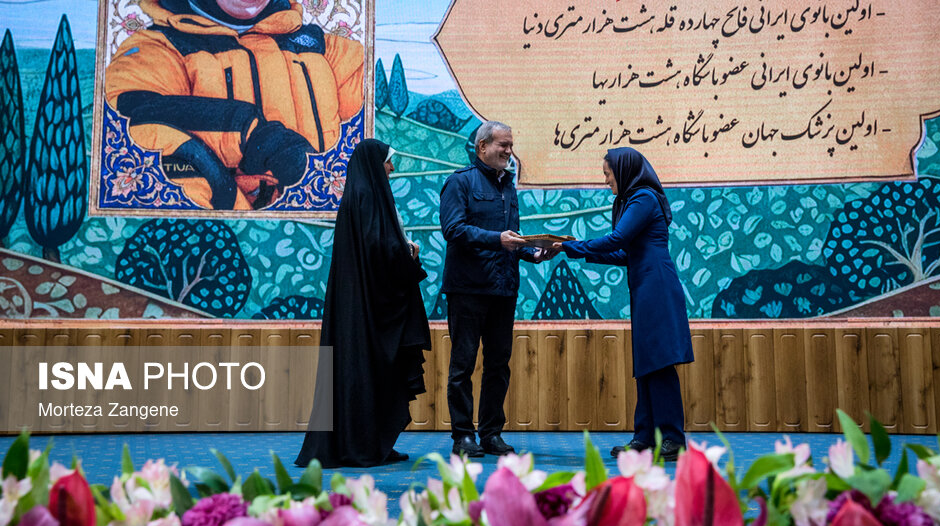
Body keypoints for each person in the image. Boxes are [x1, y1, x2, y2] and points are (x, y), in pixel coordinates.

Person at [105, 0, 364, 210]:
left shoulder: (316, 46)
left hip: (314, 214)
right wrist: (245, 130)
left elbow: (367, 102)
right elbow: (136, 119)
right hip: (223, 213)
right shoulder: (161, 44)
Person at [295, 138, 430, 468]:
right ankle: (364, 446)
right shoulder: (367, 197)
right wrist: (408, 253)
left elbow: (376, 246)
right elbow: (380, 250)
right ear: (374, 164)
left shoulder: (359, 196)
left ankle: (371, 444)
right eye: (388, 161)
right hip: (368, 311)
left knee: (364, 374)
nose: (392, 168)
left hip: (360, 307)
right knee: (367, 373)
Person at [553, 147, 692, 461]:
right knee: (647, 362)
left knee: (659, 362)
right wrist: (573, 250)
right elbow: (624, 254)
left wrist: (570, 246)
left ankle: (672, 439)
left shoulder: (643, 198)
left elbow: (616, 240)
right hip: (645, 285)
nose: (606, 181)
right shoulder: (631, 200)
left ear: (624, 171)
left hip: (656, 286)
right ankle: (645, 437)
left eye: (608, 174)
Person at [439, 121, 549, 458]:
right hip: (468, 290)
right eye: (503, 144)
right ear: (482, 146)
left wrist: (533, 252)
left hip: (504, 290)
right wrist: (497, 239)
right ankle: (463, 436)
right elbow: (453, 230)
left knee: (498, 365)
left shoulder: (508, 187)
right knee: (463, 365)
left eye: (510, 145)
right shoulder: (459, 182)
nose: (508, 151)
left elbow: (510, 237)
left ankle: (491, 434)